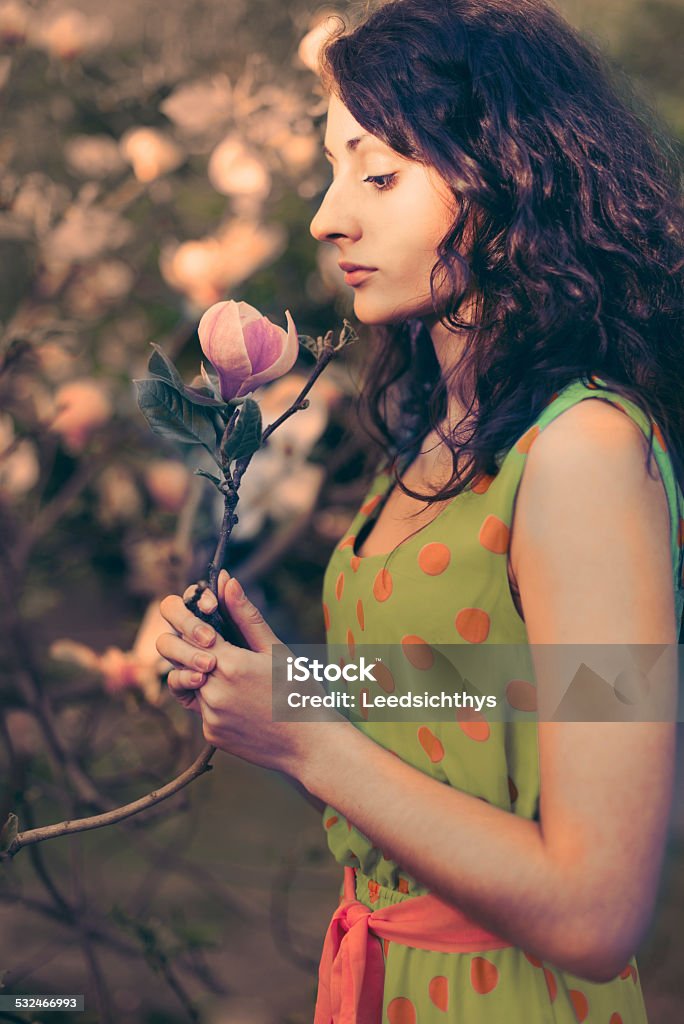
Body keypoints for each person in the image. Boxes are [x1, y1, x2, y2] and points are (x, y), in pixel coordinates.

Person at [156, 0, 684, 1020]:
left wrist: (304, 741)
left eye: (379, 172)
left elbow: (600, 906)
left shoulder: (584, 454)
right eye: (332, 168)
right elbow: (458, 699)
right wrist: (278, 687)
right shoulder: (447, 435)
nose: (327, 215)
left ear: (510, 175)